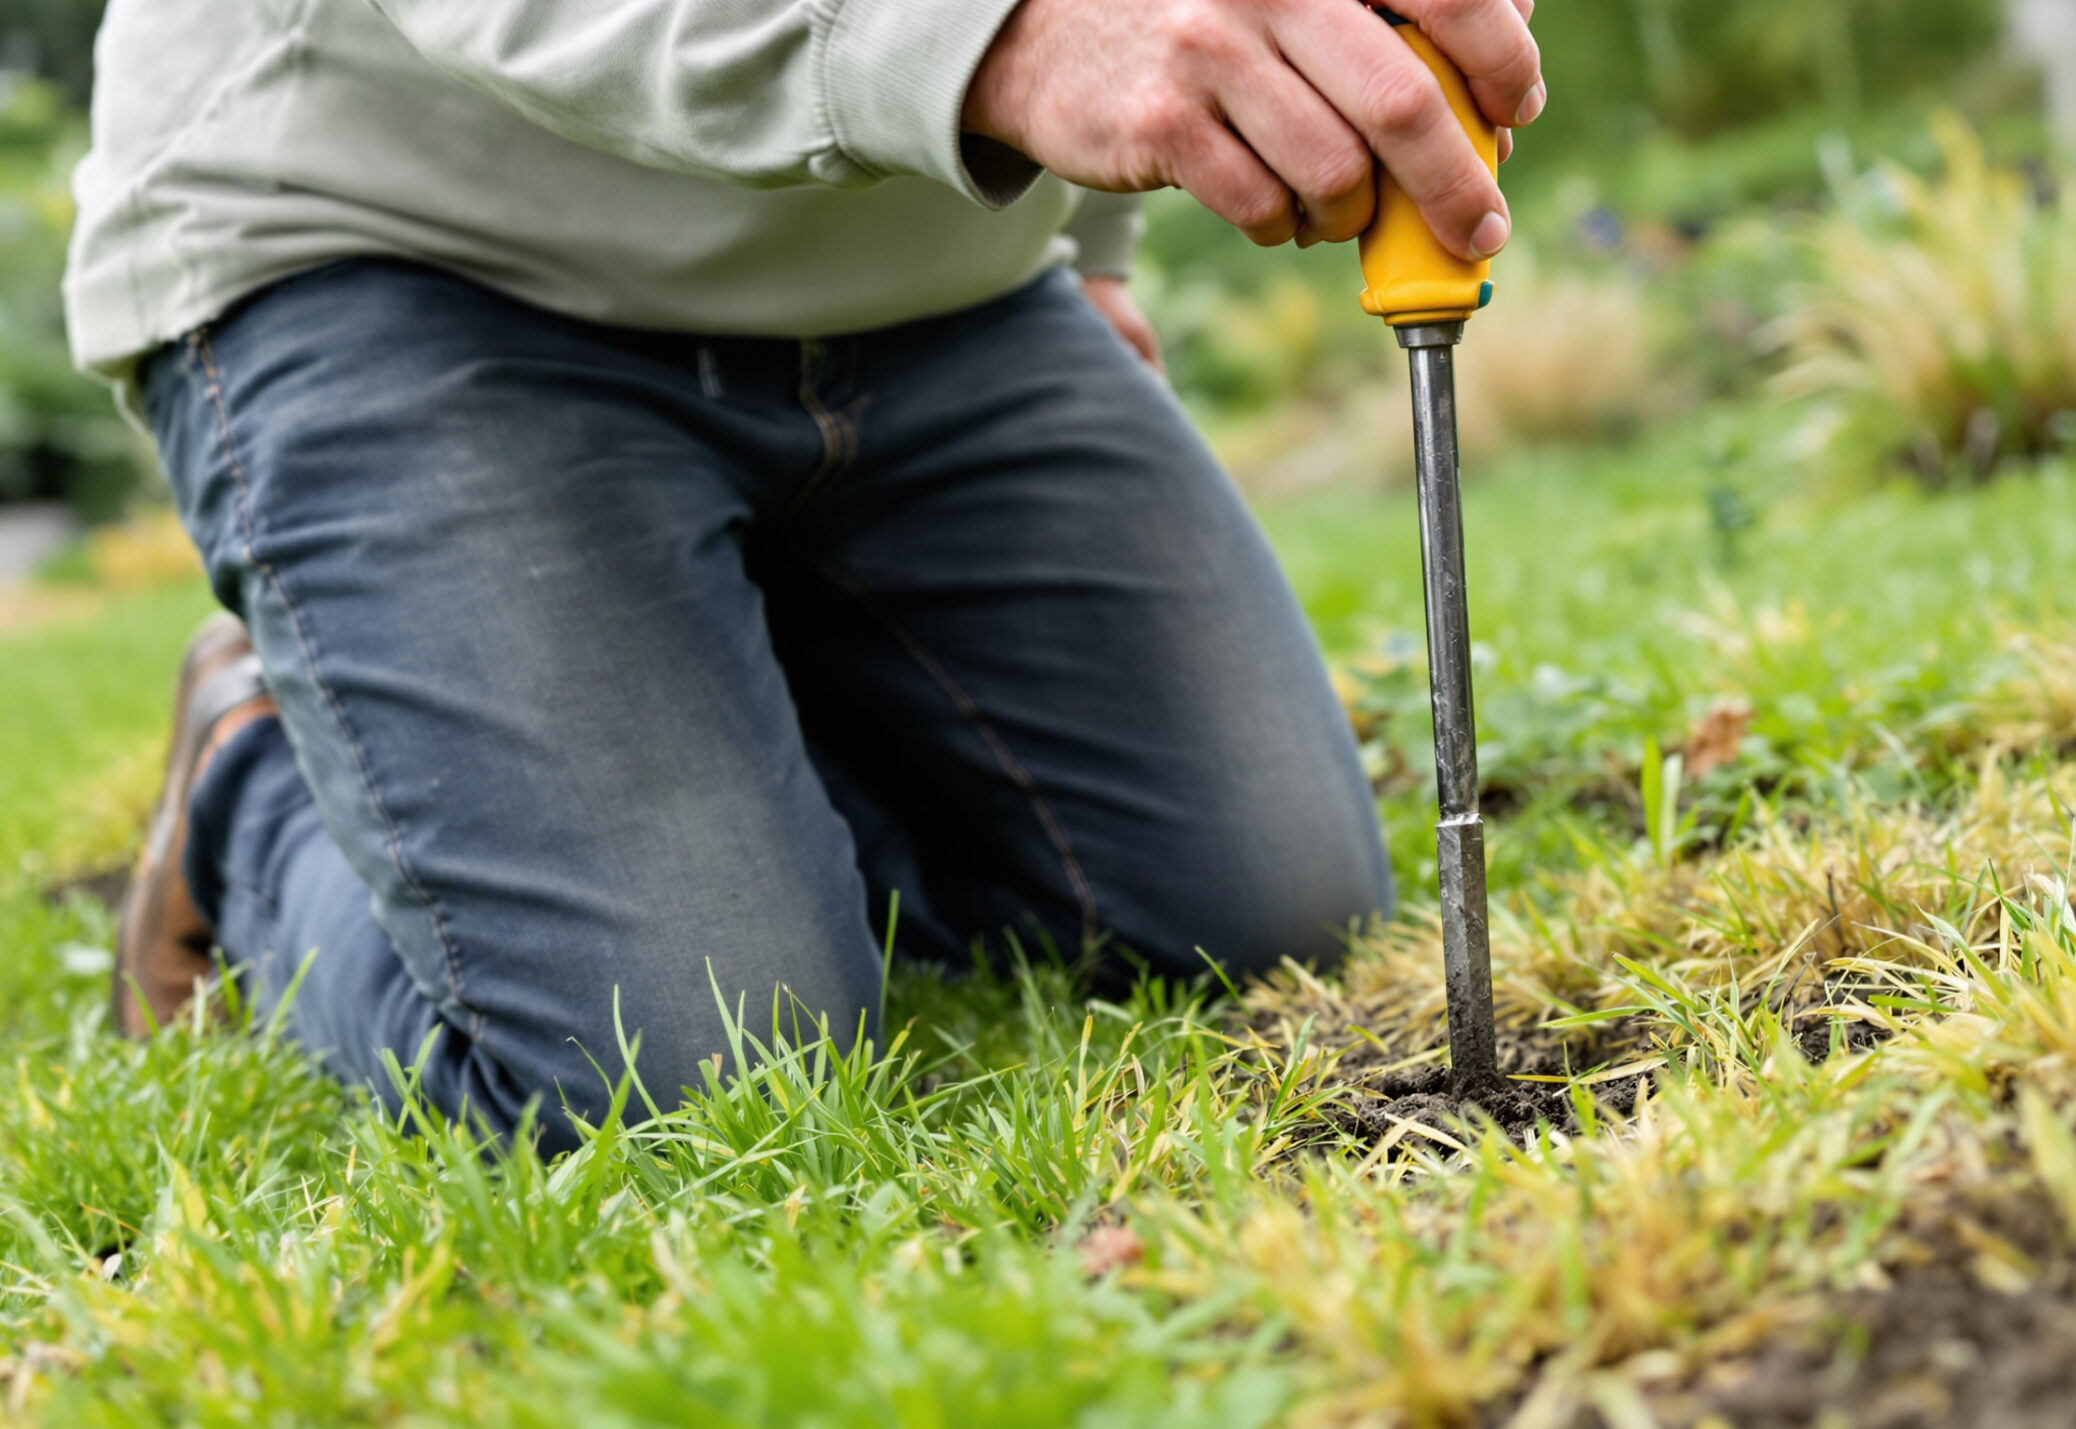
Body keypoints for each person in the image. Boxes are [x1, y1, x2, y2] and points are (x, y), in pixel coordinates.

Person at [72, 0, 1545, 1148]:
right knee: (687, 1065)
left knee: (1266, 912)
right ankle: (250, 788)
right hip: (406, 255)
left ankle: (674, 702)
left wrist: (1096, 228)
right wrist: (1015, 38)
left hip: (928, 271)